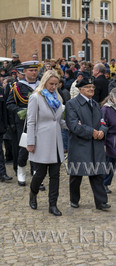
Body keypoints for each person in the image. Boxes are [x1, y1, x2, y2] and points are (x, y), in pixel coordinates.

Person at [65, 77, 111, 211]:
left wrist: (102, 131)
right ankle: (74, 199)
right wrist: (92, 132)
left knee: (97, 174)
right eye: (88, 87)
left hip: (95, 144)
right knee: (76, 175)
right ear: (80, 90)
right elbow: (73, 125)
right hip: (79, 144)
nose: (91, 89)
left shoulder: (96, 104)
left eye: (92, 87)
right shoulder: (72, 104)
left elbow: (103, 122)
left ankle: (101, 202)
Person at [26, 70, 66, 216]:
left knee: (55, 175)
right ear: (44, 82)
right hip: (41, 141)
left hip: (56, 142)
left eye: (56, 84)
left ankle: (53, 205)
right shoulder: (36, 97)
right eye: (51, 84)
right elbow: (30, 121)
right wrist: (30, 142)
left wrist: (72, 125)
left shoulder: (58, 98)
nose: (53, 87)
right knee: (40, 174)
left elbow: (59, 120)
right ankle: (33, 192)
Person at [6, 61, 41, 186]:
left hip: (40, 120)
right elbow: (9, 104)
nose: (33, 72)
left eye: (35, 70)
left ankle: (37, 174)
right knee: (25, 148)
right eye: (30, 70)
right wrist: (20, 111)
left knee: (38, 148)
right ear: (24, 72)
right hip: (24, 122)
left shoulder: (41, 85)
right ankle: (21, 172)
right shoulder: (17, 86)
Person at [0, 84, 12, 182]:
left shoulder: (0, 90)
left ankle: (2, 173)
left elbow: (4, 109)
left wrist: (5, 124)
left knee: (0, 152)